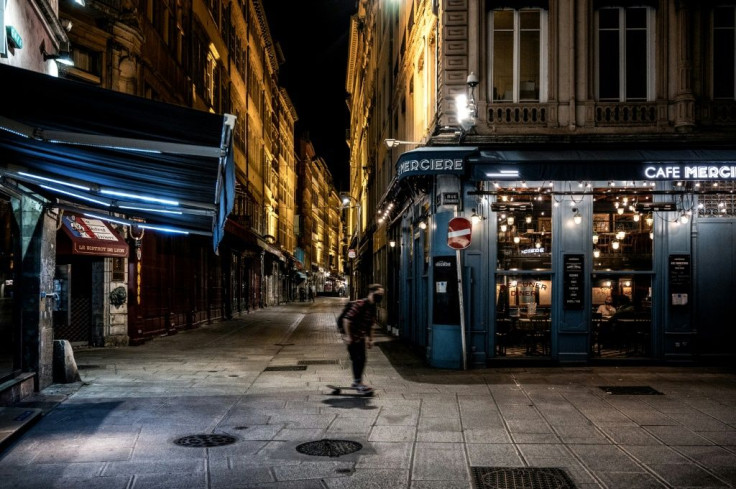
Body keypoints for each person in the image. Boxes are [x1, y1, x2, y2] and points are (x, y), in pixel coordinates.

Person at [342, 283, 384, 393]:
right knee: (357, 360)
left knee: (362, 360)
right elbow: (346, 319)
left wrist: (370, 339)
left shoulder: (372, 307)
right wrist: (347, 335)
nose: (381, 296)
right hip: (353, 337)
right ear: (372, 292)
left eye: (382, 294)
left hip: (360, 338)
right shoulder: (360, 304)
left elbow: (371, 325)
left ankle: (358, 382)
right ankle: (357, 383)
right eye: (379, 293)